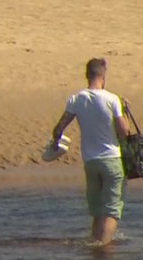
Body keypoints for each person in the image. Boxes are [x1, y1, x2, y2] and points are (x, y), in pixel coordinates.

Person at [50, 58, 131, 247]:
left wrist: (55, 144)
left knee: (97, 211)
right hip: (111, 160)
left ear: (87, 75)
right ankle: (101, 249)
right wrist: (124, 111)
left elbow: (58, 128)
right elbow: (124, 131)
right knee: (111, 210)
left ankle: (94, 245)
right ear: (103, 76)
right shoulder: (112, 99)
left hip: (91, 162)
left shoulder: (76, 99)